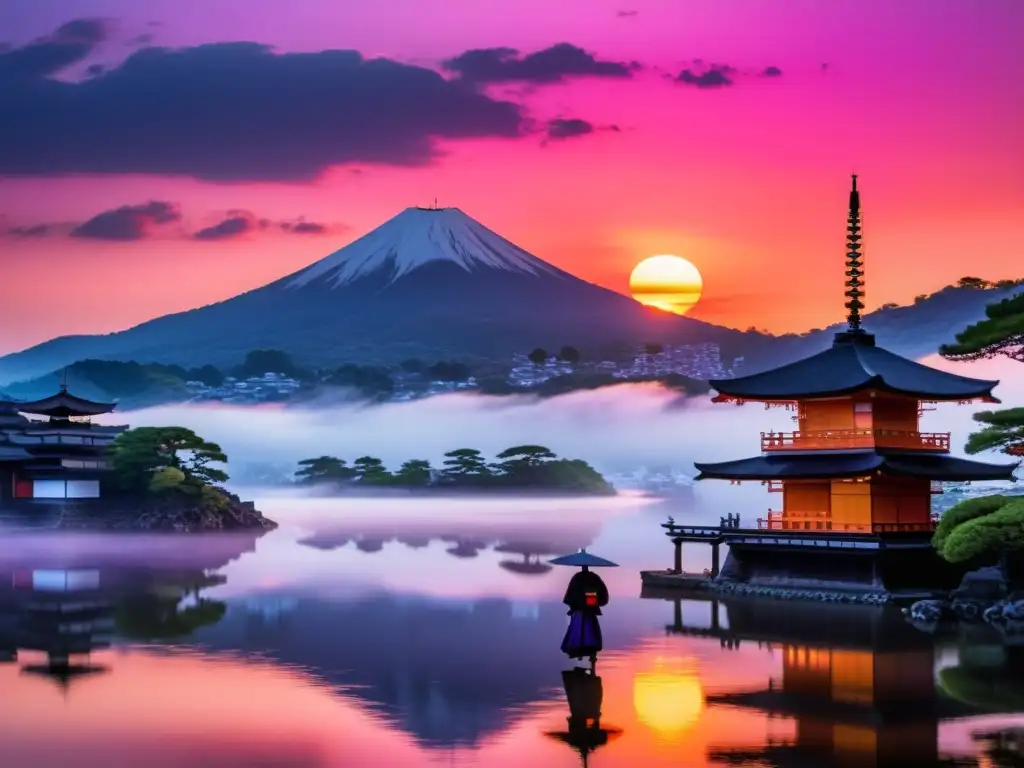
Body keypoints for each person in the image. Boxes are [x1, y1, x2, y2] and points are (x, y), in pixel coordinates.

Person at [560, 565, 609, 669]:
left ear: (582, 566)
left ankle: (581, 653)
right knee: (590, 631)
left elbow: (571, 594)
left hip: (581, 609)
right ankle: (591, 655)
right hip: (590, 608)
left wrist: (572, 607)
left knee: (580, 631)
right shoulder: (594, 577)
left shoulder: (577, 577)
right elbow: (602, 593)